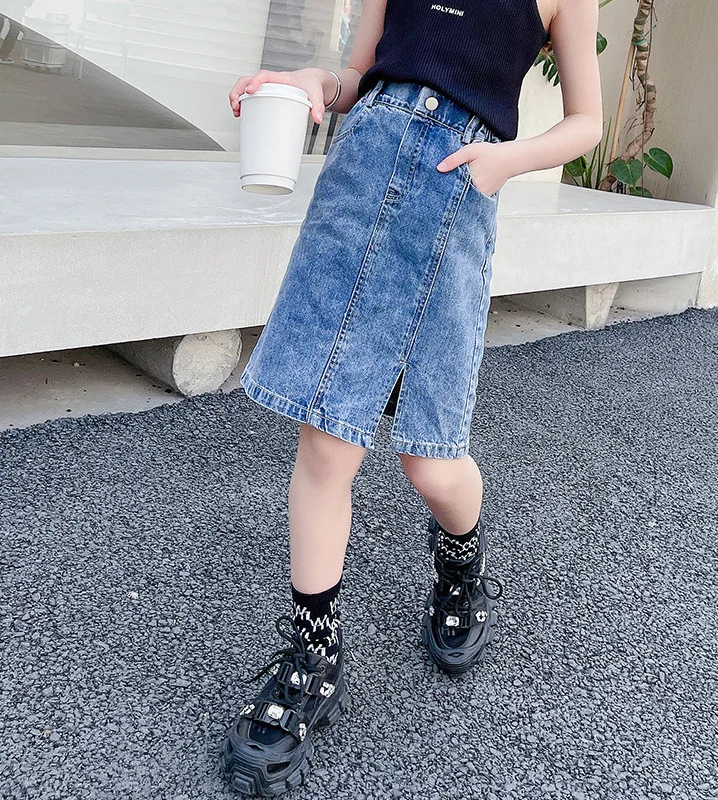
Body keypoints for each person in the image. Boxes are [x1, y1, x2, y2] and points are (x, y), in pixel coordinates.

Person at [221, 0, 602, 794]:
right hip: (365, 172)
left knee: (430, 459)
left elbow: (587, 122)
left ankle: (461, 556)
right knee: (328, 437)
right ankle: (313, 654)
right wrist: (313, 81)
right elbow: (357, 74)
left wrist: (502, 162)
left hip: (459, 190)